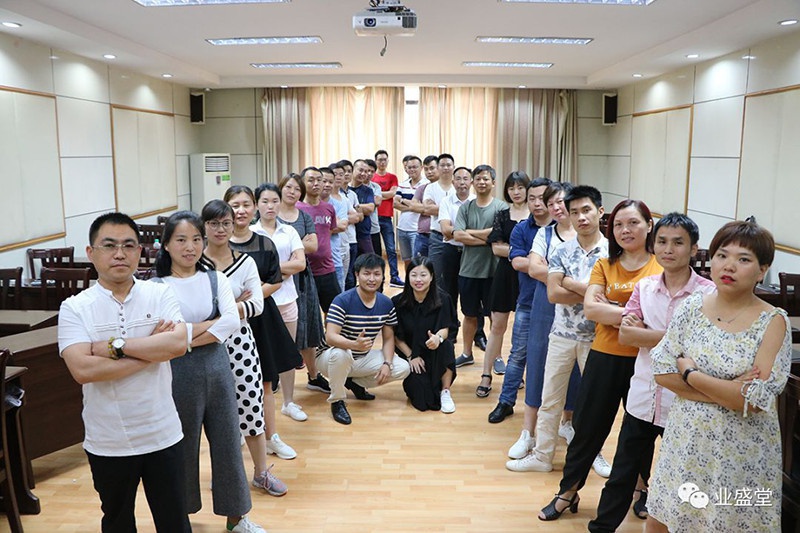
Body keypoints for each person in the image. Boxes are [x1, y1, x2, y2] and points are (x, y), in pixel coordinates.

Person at [647, 220, 791, 532]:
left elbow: (753, 402)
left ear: (762, 270)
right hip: (686, 441)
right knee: (664, 518)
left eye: (744, 259)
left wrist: (691, 374)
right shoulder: (692, 307)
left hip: (741, 452)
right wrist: (728, 391)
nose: (729, 266)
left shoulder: (773, 321)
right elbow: (662, 372)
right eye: (722, 255)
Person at [58, 212, 191, 533]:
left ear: (140, 251)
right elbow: (82, 369)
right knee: (117, 523)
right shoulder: (74, 307)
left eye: (129, 245)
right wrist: (151, 352)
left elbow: (177, 344)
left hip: (162, 433)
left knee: (175, 523)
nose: (120, 254)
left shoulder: (159, 293)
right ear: (91, 253)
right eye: (109, 245)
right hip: (108, 440)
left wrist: (113, 346)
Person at [587, 212, 715, 532]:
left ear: (694, 248)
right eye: (662, 241)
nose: (668, 249)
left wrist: (650, 334)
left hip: (684, 403)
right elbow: (626, 335)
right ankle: (602, 527)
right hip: (643, 397)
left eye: (678, 242)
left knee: (683, 477)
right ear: (653, 245)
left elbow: (701, 347)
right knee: (621, 474)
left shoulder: (709, 295)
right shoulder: (644, 288)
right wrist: (673, 338)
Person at [538, 199, 662, 521]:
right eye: (619, 224)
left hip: (645, 361)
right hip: (605, 354)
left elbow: (661, 317)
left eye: (633, 223)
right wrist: (634, 317)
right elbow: (592, 309)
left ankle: (641, 488)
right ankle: (568, 491)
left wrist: (615, 311)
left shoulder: (660, 268)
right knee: (588, 426)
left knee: (640, 430)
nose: (625, 230)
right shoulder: (605, 265)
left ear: (649, 225)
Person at [154, 211, 265, 533]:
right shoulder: (156, 287)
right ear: (166, 245)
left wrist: (184, 337)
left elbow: (230, 323)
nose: (190, 247)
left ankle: (236, 517)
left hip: (217, 366)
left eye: (195, 239)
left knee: (228, 442)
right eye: (181, 240)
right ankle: (181, 516)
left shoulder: (216, 278)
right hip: (176, 372)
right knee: (182, 446)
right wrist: (202, 330)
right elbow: (163, 333)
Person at [505, 186, 609, 473]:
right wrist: (590, 291)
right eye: (575, 212)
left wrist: (569, 283)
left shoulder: (611, 253)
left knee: (594, 401)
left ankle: (594, 454)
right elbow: (553, 293)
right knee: (550, 398)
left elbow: (611, 297)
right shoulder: (561, 249)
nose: (580, 217)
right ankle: (542, 456)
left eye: (586, 210)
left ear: (599, 211)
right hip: (561, 334)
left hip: (598, 337)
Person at [200, 200, 291, 496]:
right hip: (203, 344)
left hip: (240, 342)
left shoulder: (246, 262)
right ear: (204, 227)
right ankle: (223, 474)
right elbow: (187, 308)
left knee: (251, 405)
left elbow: (256, 305)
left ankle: (261, 472)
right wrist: (234, 306)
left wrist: (220, 310)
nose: (220, 229)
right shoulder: (195, 264)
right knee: (214, 413)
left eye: (225, 223)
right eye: (214, 223)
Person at [498, 184, 582, 442]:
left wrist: (554, 274)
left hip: (579, 312)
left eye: (560, 202)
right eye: (551, 203)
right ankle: (528, 431)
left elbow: (594, 276)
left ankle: (568, 422)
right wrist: (572, 280)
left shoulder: (585, 234)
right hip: (543, 305)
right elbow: (533, 269)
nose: (555, 207)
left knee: (575, 367)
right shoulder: (543, 234)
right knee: (535, 362)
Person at [316, 253, 411, 424]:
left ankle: (355, 383)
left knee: (402, 367)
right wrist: (353, 344)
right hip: (329, 358)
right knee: (341, 354)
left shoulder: (386, 303)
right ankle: (337, 401)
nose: (372, 279)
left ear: (383, 276)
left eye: (377, 274)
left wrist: (387, 364)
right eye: (366, 273)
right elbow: (330, 337)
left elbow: (389, 339)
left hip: (360, 357)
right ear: (357, 275)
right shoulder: (342, 300)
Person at [248, 183, 309, 422]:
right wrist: (283, 268)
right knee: (257, 354)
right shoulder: (251, 233)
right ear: (257, 205)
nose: (270, 206)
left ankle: (288, 402)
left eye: (274, 201)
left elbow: (300, 264)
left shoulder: (289, 231)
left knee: (288, 352)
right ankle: (257, 405)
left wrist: (270, 269)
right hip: (259, 302)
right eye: (265, 201)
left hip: (287, 299)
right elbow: (249, 272)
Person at [452, 165, 509, 381]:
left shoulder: (501, 207)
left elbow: (499, 234)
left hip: (494, 272)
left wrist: (471, 233)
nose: (482, 182)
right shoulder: (466, 208)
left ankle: (497, 356)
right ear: (473, 182)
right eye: (478, 179)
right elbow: (457, 235)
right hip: (469, 270)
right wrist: (488, 239)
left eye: (486, 179)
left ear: (493, 182)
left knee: (496, 317)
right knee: (469, 314)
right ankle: (467, 353)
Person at [477, 170, 532, 393]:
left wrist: (512, 252)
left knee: (524, 329)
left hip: (528, 276)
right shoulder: (502, 213)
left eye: (520, 187)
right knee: (497, 326)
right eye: (511, 188)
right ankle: (486, 375)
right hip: (504, 275)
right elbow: (496, 248)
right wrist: (521, 254)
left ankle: (516, 373)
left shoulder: (536, 215)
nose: (516, 192)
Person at [277, 173, 330, 394]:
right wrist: (298, 245)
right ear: (281, 188)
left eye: (297, 189)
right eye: (288, 187)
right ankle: (274, 377)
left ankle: (314, 376)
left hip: (303, 279)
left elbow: (313, 246)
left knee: (308, 328)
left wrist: (288, 245)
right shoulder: (270, 215)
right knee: (277, 330)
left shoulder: (305, 217)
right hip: (276, 279)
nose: (292, 192)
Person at [392, 256, 458, 413]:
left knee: (447, 345)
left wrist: (437, 338)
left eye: (423, 275)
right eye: (414, 275)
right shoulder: (398, 302)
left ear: (432, 276)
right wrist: (411, 356)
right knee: (422, 400)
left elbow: (446, 327)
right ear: (407, 276)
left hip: (435, 350)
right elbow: (395, 336)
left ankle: (445, 391)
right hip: (412, 353)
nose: (418, 280)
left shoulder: (443, 299)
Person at [437, 166, 474, 338]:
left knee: (473, 292)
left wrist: (456, 232)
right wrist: (470, 233)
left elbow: (485, 232)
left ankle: (478, 334)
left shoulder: (476, 202)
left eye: (465, 179)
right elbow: (445, 229)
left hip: (472, 252)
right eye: (458, 179)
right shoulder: (446, 201)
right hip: (451, 250)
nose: (462, 182)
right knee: (449, 292)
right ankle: (451, 331)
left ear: (471, 182)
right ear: (453, 182)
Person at [297, 166, 341, 311]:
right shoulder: (296, 208)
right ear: (302, 183)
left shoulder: (329, 208)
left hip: (327, 268)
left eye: (319, 180)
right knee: (308, 312)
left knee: (334, 310)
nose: (316, 183)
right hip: (304, 270)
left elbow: (329, 231)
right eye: (311, 180)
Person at [372, 149, 403, 287]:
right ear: (376, 161)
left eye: (384, 159)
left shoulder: (392, 177)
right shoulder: (371, 177)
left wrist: (378, 194)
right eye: (380, 159)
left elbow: (393, 194)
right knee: (376, 251)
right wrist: (385, 194)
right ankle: (379, 278)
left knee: (391, 249)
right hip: (373, 218)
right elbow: (372, 195)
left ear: (388, 161)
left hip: (386, 218)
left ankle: (394, 277)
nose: (382, 162)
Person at [327, 164, 359, 291]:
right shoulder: (325, 199)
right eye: (336, 174)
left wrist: (341, 220)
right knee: (334, 286)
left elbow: (356, 217)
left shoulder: (344, 198)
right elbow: (336, 226)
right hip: (331, 247)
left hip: (346, 244)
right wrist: (340, 222)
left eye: (342, 174)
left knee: (343, 283)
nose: (340, 177)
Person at [394, 155, 427, 270]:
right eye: (409, 167)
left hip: (416, 230)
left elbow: (424, 207)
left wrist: (403, 201)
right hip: (402, 228)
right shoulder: (403, 184)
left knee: (417, 261)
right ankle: (407, 281)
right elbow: (395, 204)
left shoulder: (426, 185)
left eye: (415, 167)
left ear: (421, 168)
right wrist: (413, 206)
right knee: (406, 260)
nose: (412, 169)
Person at [410, 155, 439, 258]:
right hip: (422, 235)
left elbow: (445, 210)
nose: (429, 172)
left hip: (440, 236)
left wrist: (424, 208)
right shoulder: (422, 188)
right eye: (426, 169)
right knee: (418, 264)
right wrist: (430, 208)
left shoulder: (446, 189)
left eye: (432, 168)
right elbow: (412, 206)